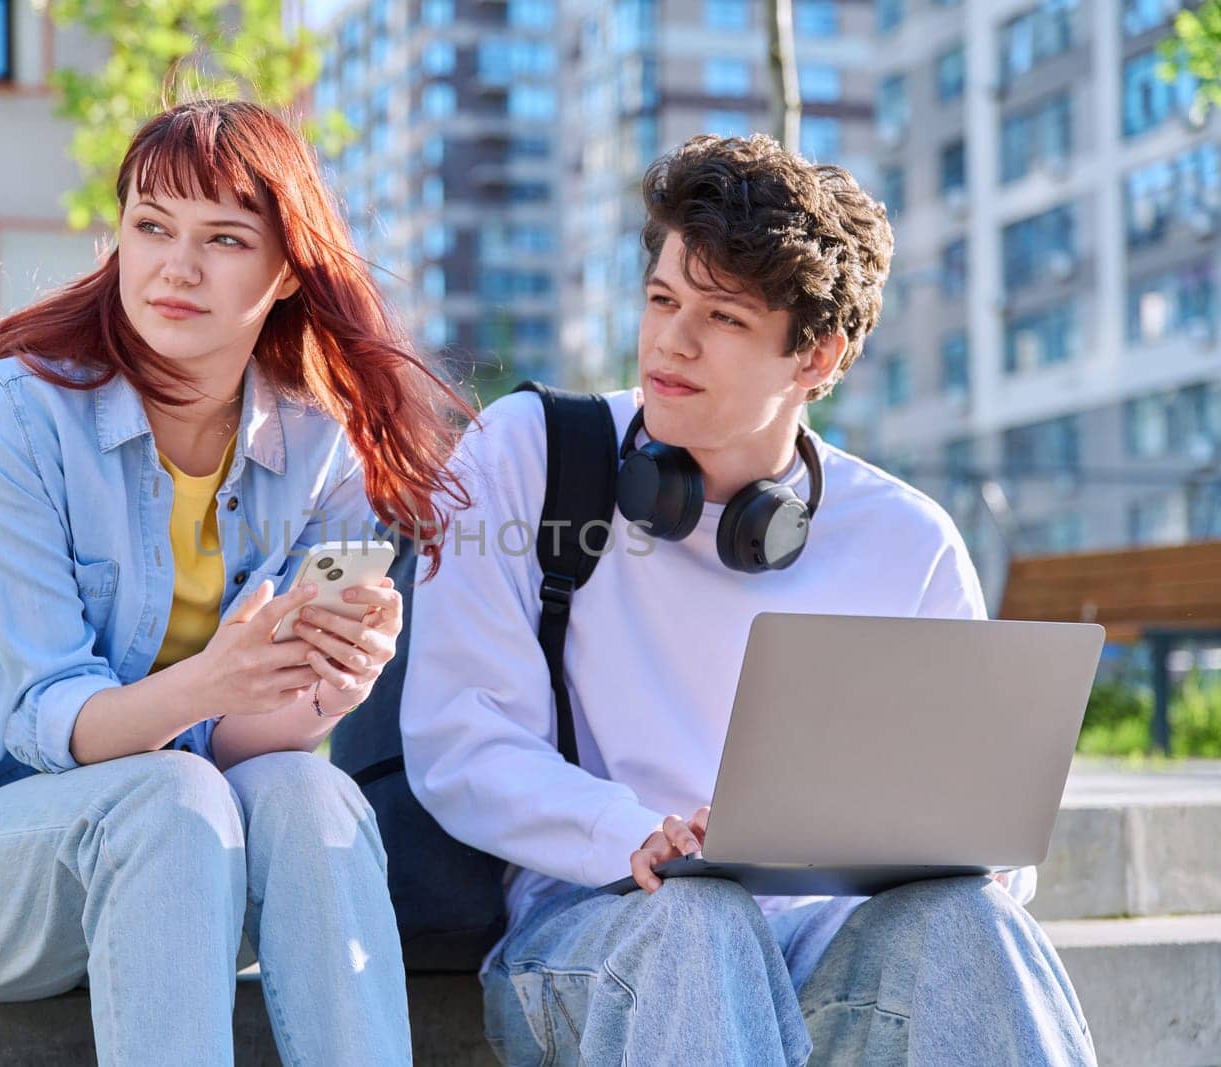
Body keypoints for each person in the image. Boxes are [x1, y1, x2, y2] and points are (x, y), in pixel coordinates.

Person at [399, 135, 1095, 1065]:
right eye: (661, 298)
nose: (669, 342)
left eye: (723, 318)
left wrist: (978, 853)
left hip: (825, 946)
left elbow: (982, 838)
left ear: (819, 355)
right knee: (701, 918)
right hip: (597, 932)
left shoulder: (909, 541)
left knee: (976, 923)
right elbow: (460, 736)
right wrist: (633, 831)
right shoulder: (529, 454)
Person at [0, 100, 471, 1065]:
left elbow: (240, 741)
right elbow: (49, 719)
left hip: (179, 872)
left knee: (306, 792)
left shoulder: (322, 450)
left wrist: (326, 687)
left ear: (286, 271)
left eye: (224, 239)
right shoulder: (25, 413)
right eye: (152, 226)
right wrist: (216, 681)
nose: (176, 266)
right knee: (170, 794)